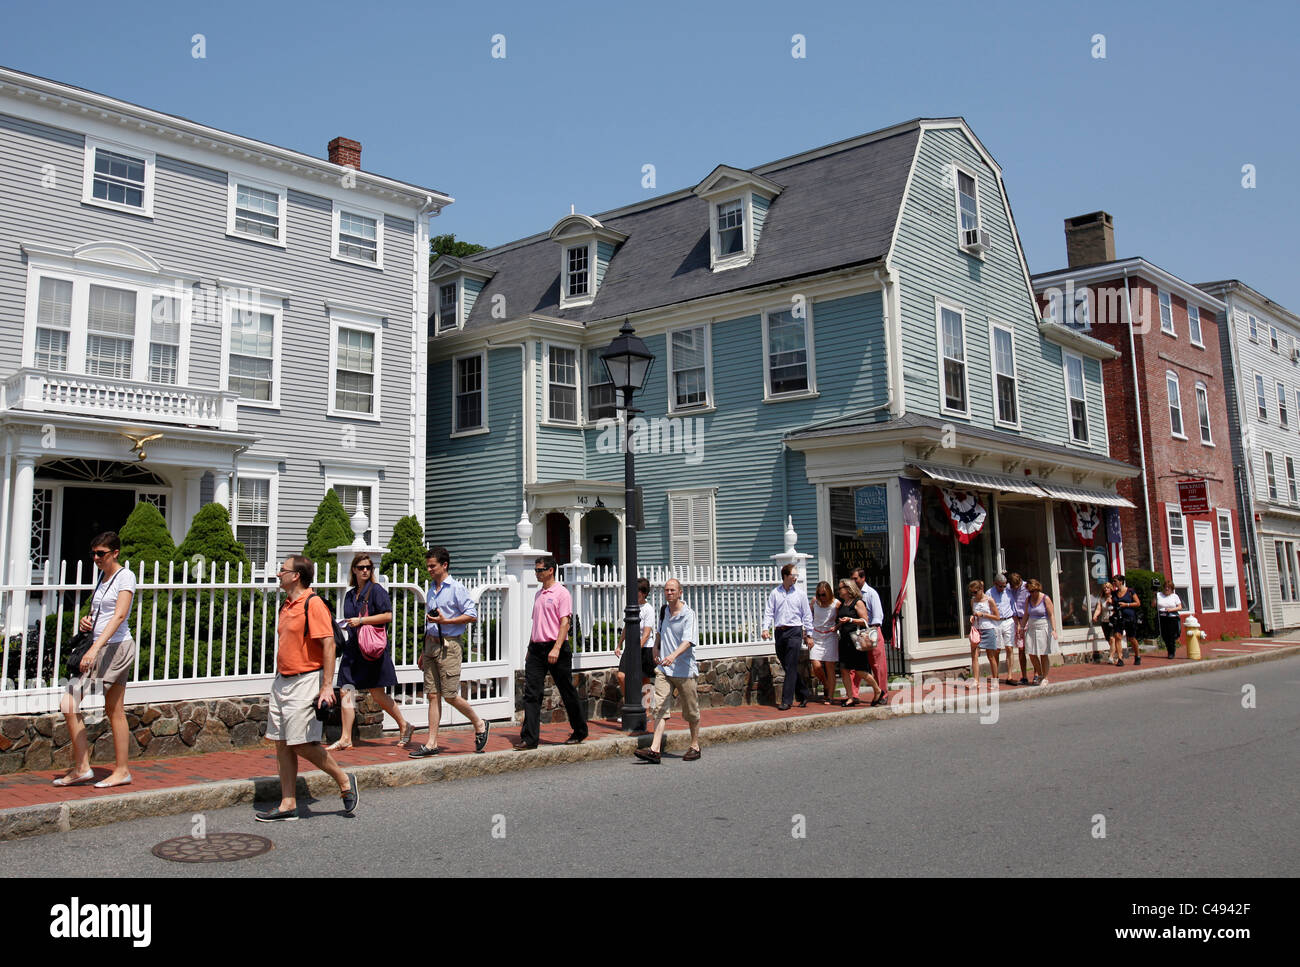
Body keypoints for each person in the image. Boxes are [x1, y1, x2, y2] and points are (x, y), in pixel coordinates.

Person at [256, 556, 357, 822]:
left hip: (306, 680)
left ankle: (344, 779)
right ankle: (288, 803)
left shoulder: (313, 604)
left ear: (296, 576)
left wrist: (326, 688)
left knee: (300, 743)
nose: (279, 574)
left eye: (283, 570)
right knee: (282, 743)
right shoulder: (287, 605)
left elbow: (328, 645)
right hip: (283, 681)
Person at [54, 532, 136, 788]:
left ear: (115, 553)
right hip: (99, 645)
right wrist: (86, 622)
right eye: (93, 554)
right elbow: (101, 612)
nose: (96, 558)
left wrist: (94, 650)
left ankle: (119, 770)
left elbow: (120, 615)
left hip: (114, 648)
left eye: (101, 553)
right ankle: (85, 768)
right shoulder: (103, 577)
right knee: (76, 703)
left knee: (107, 709)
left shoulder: (126, 577)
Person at [327, 553, 412, 751]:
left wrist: (362, 620)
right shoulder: (350, 595)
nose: (365, 570)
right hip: (353, 648)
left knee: (377, 693)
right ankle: (346, 737)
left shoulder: (377, 591)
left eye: (368, 567)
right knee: (345, 689)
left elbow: (388, 615)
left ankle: (403, 724)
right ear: (354, 570)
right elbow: (352, 619)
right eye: (361, 567)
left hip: (372, 649)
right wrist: (346, 624)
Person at [411, 546, 490, 757]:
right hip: (431, 645)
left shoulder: (456, 588)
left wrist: (447, 621)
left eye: (432, 566)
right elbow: (430, 621)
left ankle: (479, 723)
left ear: (444, 565)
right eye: (427, 566)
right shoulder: (431, 589)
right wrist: (424, 648)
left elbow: (471, 615)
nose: (429, 570)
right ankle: (431, 743)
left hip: (450, 645)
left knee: (450, 695)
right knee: (432, 695)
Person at [514, 556, 588, 750]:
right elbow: (536, 623)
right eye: (535, 570)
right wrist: (530, 648)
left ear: (550, 570)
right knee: (532, 693)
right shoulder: (539, 594)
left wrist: (556, 647)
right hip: (537, 649)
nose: (536, 573)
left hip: (557, 648)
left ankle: (580, 731)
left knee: (567, 690)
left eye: (539, 570)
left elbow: (565, 622)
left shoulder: (561, 593)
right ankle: (529, 739)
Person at [633, 579, 701, 763]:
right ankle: (655, 750)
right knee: (660, 706)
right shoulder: (664, 611)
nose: (669, 593)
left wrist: (673, 655)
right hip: (664, 669)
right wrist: (656, 647)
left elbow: (688, 641)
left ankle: (695, 745)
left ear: (680, 593)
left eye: (672, 590)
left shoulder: (689, 614)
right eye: (666, 590)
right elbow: (660, 632)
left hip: (684, 670)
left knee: (691, 711)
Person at [761, 563, 814, 710]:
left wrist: (809, 634)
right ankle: (803, 693)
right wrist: (765, 628)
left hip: (795, 631)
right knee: (787, 665)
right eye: (793, 575)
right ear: (785, 576)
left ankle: (787, 700)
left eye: (796, 575)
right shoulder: (775, 593)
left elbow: (807, 615)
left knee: (791, 665)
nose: (795, 578)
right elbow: (769, 612)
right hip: (780, 632)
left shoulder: (800, 594)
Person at [834, 580, 882, 706]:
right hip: (844, 640)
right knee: (844, 669)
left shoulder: (858, 602)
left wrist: (850, 619)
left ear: (848, 588)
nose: (839, 591)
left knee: (860, 671)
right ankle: (850, 697)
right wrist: (837, 626)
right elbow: (842, 620)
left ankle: (877, 690)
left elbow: (865, 620)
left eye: (841, 588)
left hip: (856, 641)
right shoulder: (843, 604)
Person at [614, 577, 656, 710]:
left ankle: (647, 710)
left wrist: (638, 649)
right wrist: (620, 644)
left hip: (645, 648)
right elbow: (627, 627)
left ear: (644, 593)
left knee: (645, 680)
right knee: (621, 676)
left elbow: (647, 633)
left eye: (638, 592)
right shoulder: (631, 606)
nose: (635, 594)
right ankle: (630, 704)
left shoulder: (648, 609)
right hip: (630, 647)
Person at [851, 568, 890, 703]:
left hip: (872, 631)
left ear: (863, 578)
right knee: (856, 665)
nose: (853, 581)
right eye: (852, 579)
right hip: (858, 633)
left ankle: (882, 694)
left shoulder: (871, 593)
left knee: (877, 665)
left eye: (855, 578)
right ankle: (854, 695)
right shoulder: (853, 595)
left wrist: (871, 630)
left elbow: (878, 615)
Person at [1020, 578, 1057, 685]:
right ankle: (1040, 674)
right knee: (1031, 652)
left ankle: (1045, 677)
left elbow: (1051, 615)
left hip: (1043, 625)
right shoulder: (1028, 599)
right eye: (1030, 591)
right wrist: (1022, 628)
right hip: (1032, 626)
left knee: (1043, 653)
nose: (1032, 593)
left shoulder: (1045, 598)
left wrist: (1054, 630)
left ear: (1037, 589)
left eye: (1033, 591)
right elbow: (1026, 614)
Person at [808, 581, 840, 702]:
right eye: (819, 594)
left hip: (830, 636)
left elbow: (840, 620)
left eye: (824, 595)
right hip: (817, 635)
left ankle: (830, 696)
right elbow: (808, 617)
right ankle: (826, 684)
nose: (822, 597)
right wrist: (807, 635)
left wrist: (836, 627)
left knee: (830, 666)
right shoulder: (814, 602)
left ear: (829, 593)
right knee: (816, 665)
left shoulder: (836, 604)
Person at [968, 579, 1001, 686]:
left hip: (988, 628)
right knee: (974, 655)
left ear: (981, 590)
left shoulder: (989, 600)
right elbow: (974, 613)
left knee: (990, 656)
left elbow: (997, 617)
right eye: (972, 592)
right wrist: (973, 617)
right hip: (977, 630)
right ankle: (976, 680)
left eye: (975, 592)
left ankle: (995, 679)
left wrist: (983, 614)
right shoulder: (973, 601)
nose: (974, 594)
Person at [989, 573, 1018, 685]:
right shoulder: (989, 593)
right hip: (996, 622)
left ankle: (1010, 676)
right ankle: (995, 676)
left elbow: (1013, 605)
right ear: (995, 584)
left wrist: (1017, 622)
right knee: (996, 650)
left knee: (1009, 648)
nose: (1002, 588)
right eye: (1000, 586)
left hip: (1008, 620)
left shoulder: (1009, 591)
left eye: (1004, 586)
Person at [1112, 574, 1142, 666]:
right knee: (1117, 636)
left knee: (1131, 638)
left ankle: (1137, 656)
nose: (1114, 583)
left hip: (1130, 617)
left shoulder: (1130, 591)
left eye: (1115, 581)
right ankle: (1120, 658)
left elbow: (1138, 603)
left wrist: (1126, 605)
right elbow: (1114, 605)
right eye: (1113, 581)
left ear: (1121, 582)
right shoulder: (1114, 593)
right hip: (1119, 617)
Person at [1006, 572, 1030, 685]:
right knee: (1021, 649)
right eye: (1013, 586)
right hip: (1016, 620)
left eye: (1016, 586)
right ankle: (1024, 675)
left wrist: (1024, 622)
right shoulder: (1009, 588)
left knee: (1031, 649)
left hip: (1027, 619)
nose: (1015, 588)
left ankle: (1036, 674)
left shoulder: (1026, 588)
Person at [1153, 578, 1183, 659]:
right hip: (1162, 617)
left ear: (1172, 589)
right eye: (1165, 587)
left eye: (1169, 588)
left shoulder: (1174, 596)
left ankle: (1171, 652)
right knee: (1164, 635)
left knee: (1171, 636)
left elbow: (1180, 607)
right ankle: (1169, 649)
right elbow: (1153, 605)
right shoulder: (1159, 595)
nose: (1167, 589)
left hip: (1171, 617)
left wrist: (1171, 610)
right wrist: (1154, 596)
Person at [1094, 581, 1120, 665]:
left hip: (1113, 621)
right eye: (1104, 588)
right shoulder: (1101, 599)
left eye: (1107, 587)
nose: (1106, 589)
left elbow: (1118, 607)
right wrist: (1095, 616)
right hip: (1104, 621)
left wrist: (1112, 602)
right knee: (1109, 640)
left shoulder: (1115, 597)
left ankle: (1111, 657)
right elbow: (1098, 609)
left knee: (1112, 639)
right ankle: (1116, 655)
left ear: (1111, 588)